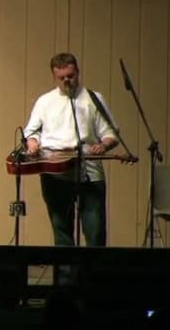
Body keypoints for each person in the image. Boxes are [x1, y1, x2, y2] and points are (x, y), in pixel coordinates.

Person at [24, 52, 118, 248]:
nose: (67, 81)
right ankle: (65, 278)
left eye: (71, 76)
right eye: (62, 78)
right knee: (62, 231)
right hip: (55, 173)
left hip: (89, 173)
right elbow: (31, 132)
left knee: (95, 232)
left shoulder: (93, 98)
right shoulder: (45, 101)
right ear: (54, 77)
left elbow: (110, 133)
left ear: (77, 72)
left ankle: (91, 277)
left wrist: (104, 145)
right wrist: (32, 142)